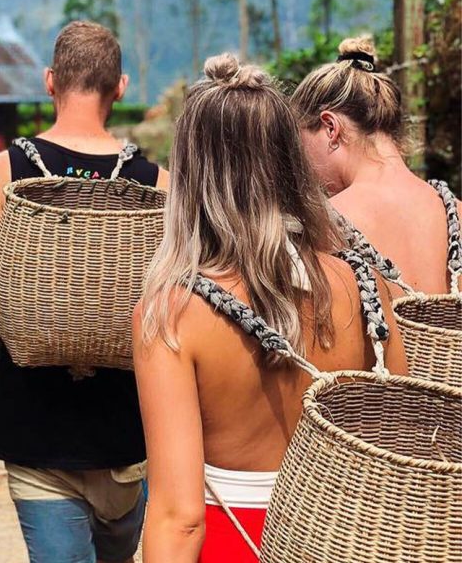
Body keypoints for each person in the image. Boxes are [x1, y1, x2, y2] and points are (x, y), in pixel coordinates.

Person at [133, 54, 408, 563]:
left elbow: (180, 516)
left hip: (235, 542)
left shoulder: (174, 310)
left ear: (193, 173)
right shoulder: (365, 284)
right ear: (288, 160)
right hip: (348, 540)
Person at [0, 21, 168, 563]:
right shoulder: (158, 182)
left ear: (49, 82)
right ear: (121, 87)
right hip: (131, 433)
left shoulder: (3, 173)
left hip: (36, 429)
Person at [291, 35, 461, 295]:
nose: (304, 165)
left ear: (330, 127)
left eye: (302, 146)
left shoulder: (322, 226)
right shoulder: (456, 212)